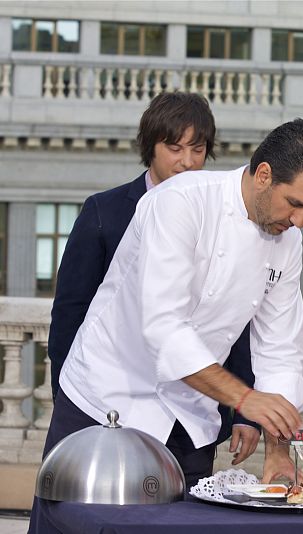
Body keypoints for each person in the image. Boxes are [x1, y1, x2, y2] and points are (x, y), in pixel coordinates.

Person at [47, 92, 261, 469]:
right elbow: (70, 315)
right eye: (174, 148)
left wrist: (245, 413)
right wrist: (69, 397)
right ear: (151, 147)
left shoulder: (224, 217)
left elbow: (236, 317)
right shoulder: (105, 212)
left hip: (191, 414)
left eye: (197, 149)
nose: (187, 162)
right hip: (105, 404)